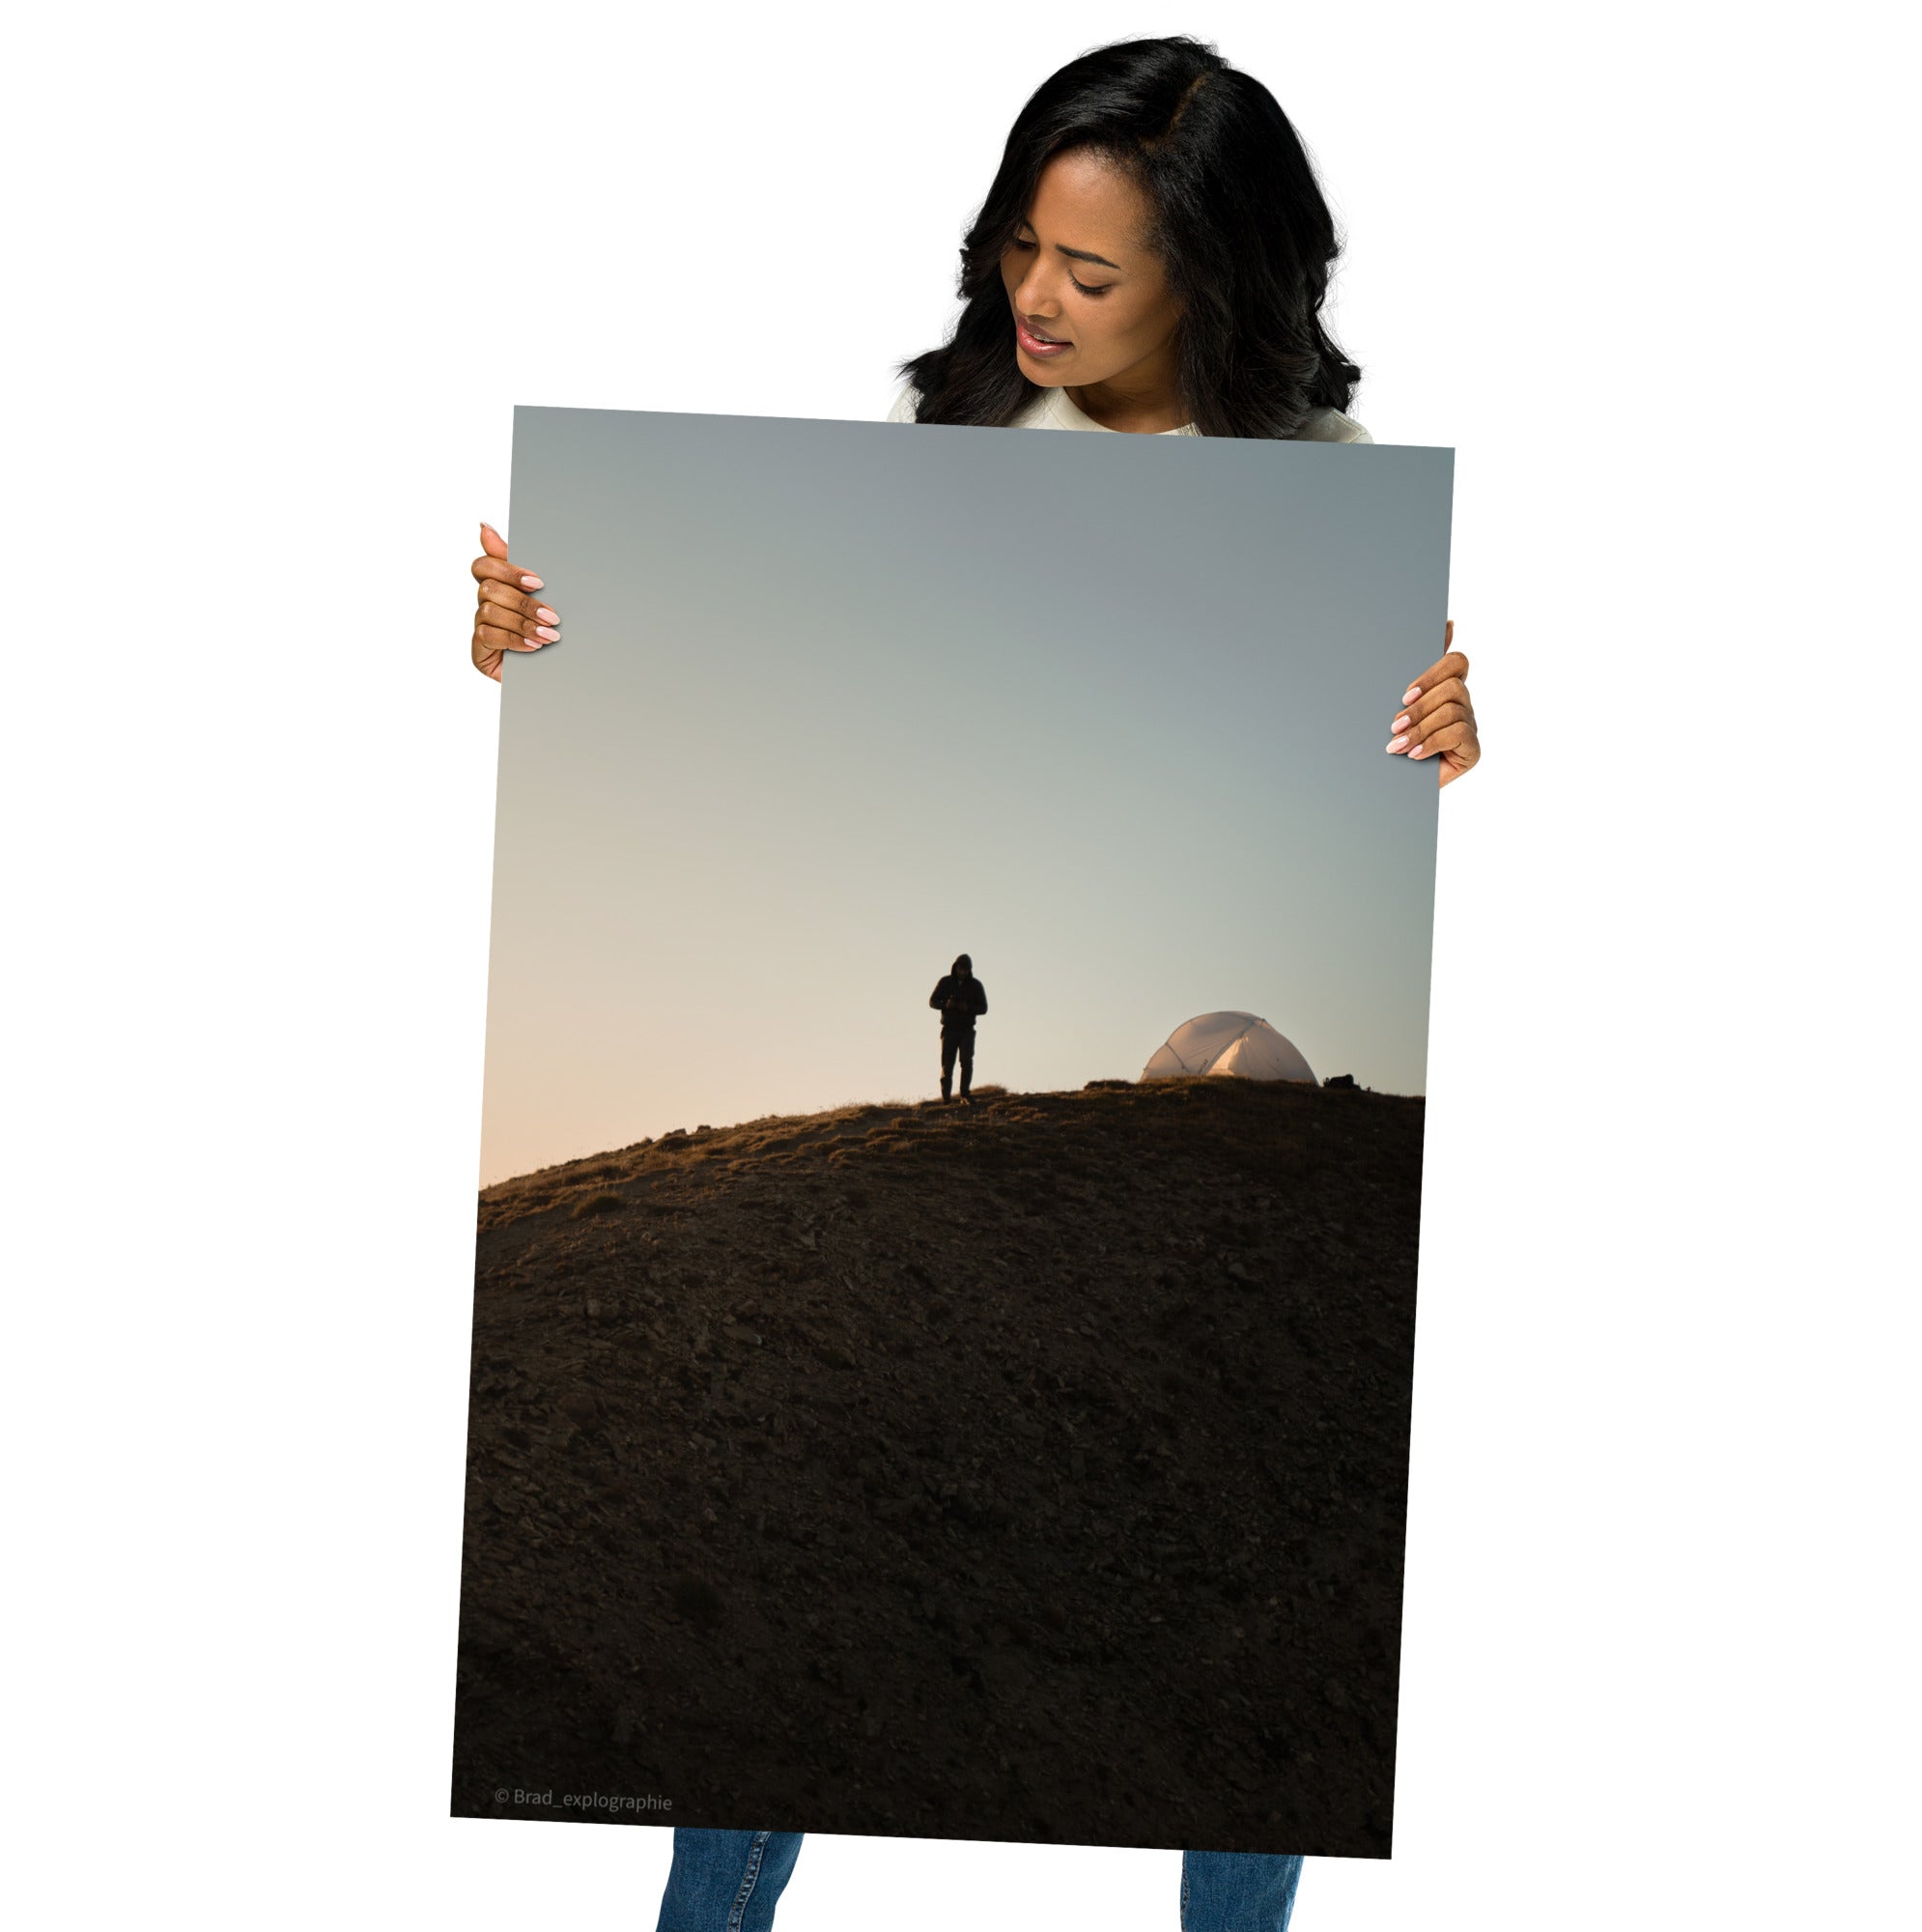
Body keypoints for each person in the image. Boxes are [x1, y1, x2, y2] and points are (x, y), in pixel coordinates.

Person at [467, 33, 1481, 1932]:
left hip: (1232, 1100)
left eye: (1092, 273)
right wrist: (517, 642)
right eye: (1024, 244)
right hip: (1015, 1023)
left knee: (1251, 1607)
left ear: (1219, 278)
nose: (1035, 297)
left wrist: (1468, 734)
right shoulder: (956, 443)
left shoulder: (1345, 495)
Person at [929, 952, 988, 1103]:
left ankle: (964, 1094)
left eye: (965, 970)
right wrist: (945, 1005)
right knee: (947, 1065)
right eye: (960, 969)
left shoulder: (975, 985)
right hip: (949, 1029)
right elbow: (932, 1001)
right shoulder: (945, 982)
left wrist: (967, 1007)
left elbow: (984, 1008)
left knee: (966, 1061)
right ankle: (946, 1099)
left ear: (969, 970)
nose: (962, 972)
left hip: (967, 1029)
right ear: (955, 968)